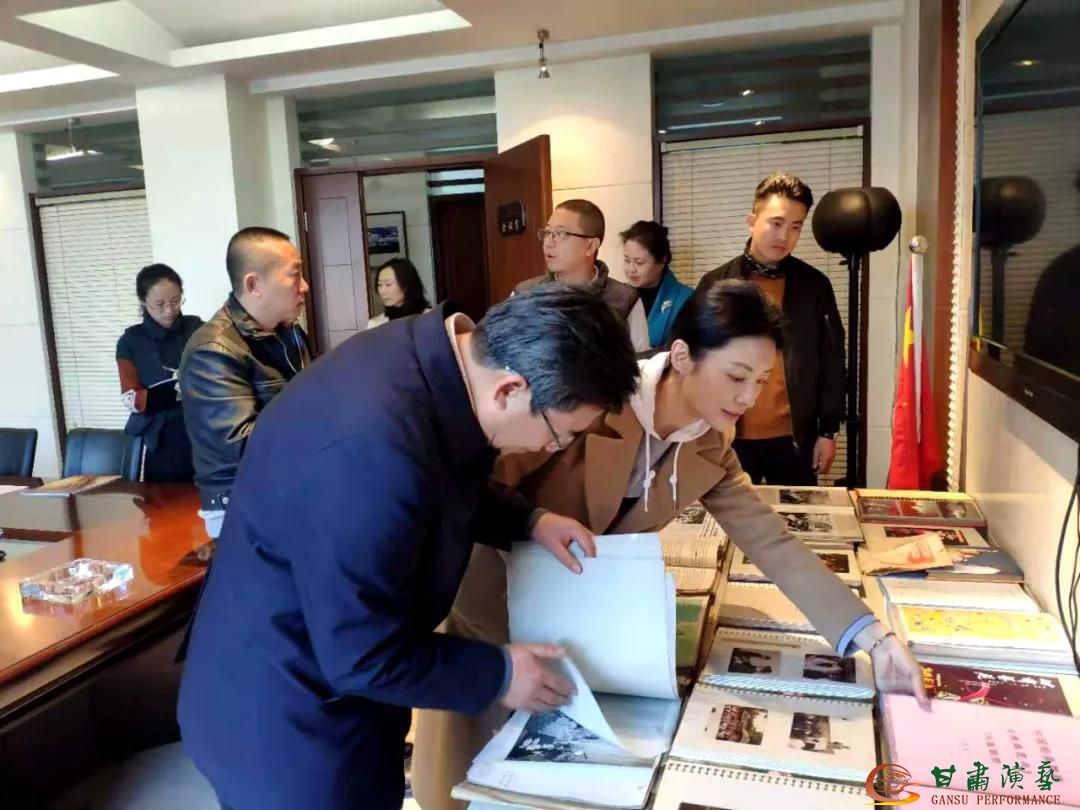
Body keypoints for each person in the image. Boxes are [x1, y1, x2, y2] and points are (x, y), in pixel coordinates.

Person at [412, 281, 926, 810]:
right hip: (492, 601)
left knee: (547, 777)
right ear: (681, 355)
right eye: (736, 377)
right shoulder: (592, 398)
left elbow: (772, 541)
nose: (748, 398)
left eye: (761, 381)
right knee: (467, 764)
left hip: (578, 616)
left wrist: (874, 638)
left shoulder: (709, 444)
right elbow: (480, 489)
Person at [177, 286, 641, 810]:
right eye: (561, 433)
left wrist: (529, 519)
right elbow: (361, 654)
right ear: (510, 390)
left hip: (321, 669)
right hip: (286, 716)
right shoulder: (373, 450)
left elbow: (435, 476)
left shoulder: (432, 358)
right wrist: (501, 673)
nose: (551, 448)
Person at [696, 172, 845, 485]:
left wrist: (828, 432)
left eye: (795, 227)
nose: (784, 236)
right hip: (729, 436)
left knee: (797, 514)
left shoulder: (814, 286)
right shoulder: (717, 284)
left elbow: (831, 361)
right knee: (729, 513)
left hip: (795, 440)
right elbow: (695, 362)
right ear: (752, 221)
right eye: (776, 223)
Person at [179, 227, 311, 539]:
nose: (304, 286)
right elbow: (242, 446)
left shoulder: (289, 334)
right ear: (254, 285)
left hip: (289, 488)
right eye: (295, 275)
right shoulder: (213, 350)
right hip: (243, 504)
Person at [515, 199, 651, 352]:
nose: (548, 243)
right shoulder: (524, 294)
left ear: (591, 246)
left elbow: (642, 362)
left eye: (560, 234)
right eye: (547, 233)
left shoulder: (624, 299)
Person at [115, 264, 203, 482]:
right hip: (162, 436)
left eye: (175, 301)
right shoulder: (131, 342)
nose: (169, 310)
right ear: (144, 301)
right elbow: (130, 397)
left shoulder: (198, 328)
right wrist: (172, 391)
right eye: (160, 304)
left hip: (204, 430)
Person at [620, 220, 693, 348]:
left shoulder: (686, 299)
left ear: (662, 260)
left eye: (639, 262)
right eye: (627, 260)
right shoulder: (617, 295)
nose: (631, 269)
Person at [368, 257, 431, 329]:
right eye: (379, 284)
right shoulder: (375, 325)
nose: (382, 291)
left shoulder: (430, 318)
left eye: (388, 284)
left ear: (407, 285)